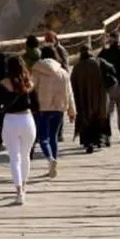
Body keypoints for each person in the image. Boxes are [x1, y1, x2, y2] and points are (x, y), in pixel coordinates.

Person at [31, 47, 76, 178]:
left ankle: (50, 159)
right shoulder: (63, 72)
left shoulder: (37, 70)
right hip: (59, 108)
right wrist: (72, 111)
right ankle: (53, 163)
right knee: (54, 137)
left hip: (42, 109)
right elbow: (70, 93)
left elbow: (31, 88)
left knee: (43, 138)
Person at [0, 56, 38, 205]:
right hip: (27, 120)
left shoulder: (4, 83)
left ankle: (19, 190)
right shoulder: (29, 83)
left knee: (14, 158)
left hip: (10, 120)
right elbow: (35, 104)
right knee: (25, 155)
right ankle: (25, 185)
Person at [71, 46, 113, 153]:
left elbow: (73, 84)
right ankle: (100, 139)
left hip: (83, 100)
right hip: (100, 98)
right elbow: (112, 69)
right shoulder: (99, 62)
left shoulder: (76, 68)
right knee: (100, 118)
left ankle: (88, 142)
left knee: (86, 120)